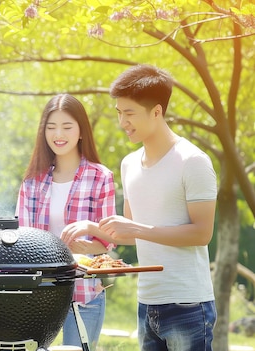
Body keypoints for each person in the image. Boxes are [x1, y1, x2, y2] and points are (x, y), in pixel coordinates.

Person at [65, 64, 217, 351]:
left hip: (188, 303)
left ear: (157, 111)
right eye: (119, 113)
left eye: (130, 113)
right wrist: (92, 234)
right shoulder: (130, 164)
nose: (123, 122)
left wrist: (136, 228)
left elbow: (201, 233)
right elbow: (133, 234)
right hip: (147, 302)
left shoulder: (192, 161)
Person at [16, 93, 116, 350]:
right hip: (38, 294)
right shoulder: (32, 181)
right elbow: (23, 240)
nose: (58, 134)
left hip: (85, 293)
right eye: (51, 127)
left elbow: (107, 242)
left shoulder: (100, 177)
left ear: (81, 131)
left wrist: (83, 247)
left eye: (67, 126)